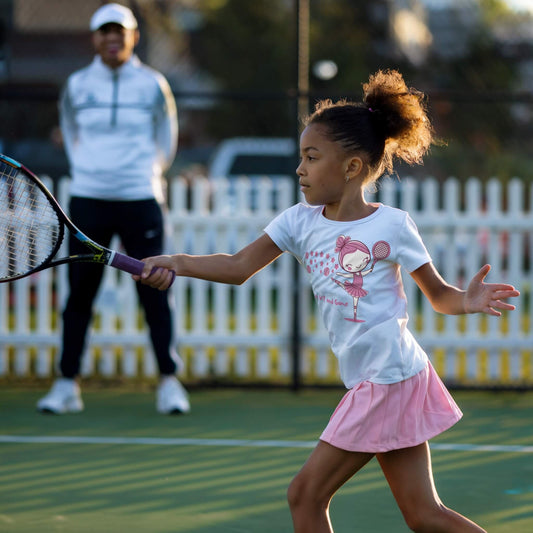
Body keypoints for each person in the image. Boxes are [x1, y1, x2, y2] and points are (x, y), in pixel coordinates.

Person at [134, 69, 520, 531]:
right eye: (301, 156)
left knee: (305, 495)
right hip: (381, 378)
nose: (300, 168)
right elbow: (238, 268)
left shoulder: (392, 226)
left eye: (312, 157)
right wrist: (177, 262)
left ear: (352, 167)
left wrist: (467, 300)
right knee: (423, 516)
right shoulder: (300, 221)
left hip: (389, 376)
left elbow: (439, 297)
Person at [37, 3, 190, 415]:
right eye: (104, 32)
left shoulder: (154, 83)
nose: (112, 39)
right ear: (95, 39)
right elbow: (70, 134)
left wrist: (144, 174)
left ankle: (168, 383)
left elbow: (167, 139)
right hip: (88, 199)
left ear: (133, 37)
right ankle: (66, 384)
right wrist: (92, 171)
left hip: (142, 198)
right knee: (79, 295)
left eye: (119, 32)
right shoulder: (76, 85)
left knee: (156, 288)